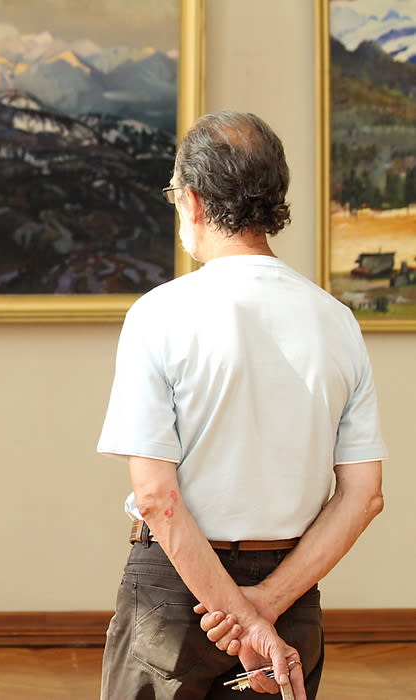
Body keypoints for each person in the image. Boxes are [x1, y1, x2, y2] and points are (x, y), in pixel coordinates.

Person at [96, 110, 386, 699]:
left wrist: (239, 615)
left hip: (175, 593)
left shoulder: (158, 314)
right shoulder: (337, 321)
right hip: (291, 591)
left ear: (193, 201)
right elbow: (364, 495)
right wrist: (264, 606)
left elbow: (156, 498)